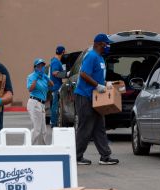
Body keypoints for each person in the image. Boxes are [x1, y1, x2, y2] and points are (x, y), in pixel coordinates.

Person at [74, 33, 119, 165]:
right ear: (99, 44)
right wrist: (97, 85)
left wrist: (105, 84)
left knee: (99, 126)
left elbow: (96, 76)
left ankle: (105, 156)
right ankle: (77, 156)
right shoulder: (91, 56)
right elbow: (83, 74)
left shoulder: (100, 58)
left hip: (96, 97)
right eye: (106, 44)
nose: (108, 46)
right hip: (84, 95)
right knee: (85, 126)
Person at [26, 58, 53, 145]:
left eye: (43, 66)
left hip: (42, 104)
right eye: (39, 66)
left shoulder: (44, 77)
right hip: (34, 102)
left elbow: (52, 85)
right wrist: (35, 79)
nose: (41, 68)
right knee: (37, 129)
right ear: (35, 67)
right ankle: (29, 146)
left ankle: (42, 148)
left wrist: (47, 78)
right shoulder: (31, 76)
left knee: (43, 129)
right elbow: (30, 89)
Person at [49, 45, 66, 128]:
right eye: (64, 52)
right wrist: (66, 74)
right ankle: (53, 123)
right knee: (55, 105)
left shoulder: (54, 60)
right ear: (62, 52)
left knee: (55, 105)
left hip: (56, 86)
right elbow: (54, 72)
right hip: (56, 87)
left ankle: (54, 122)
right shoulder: (56, 61)